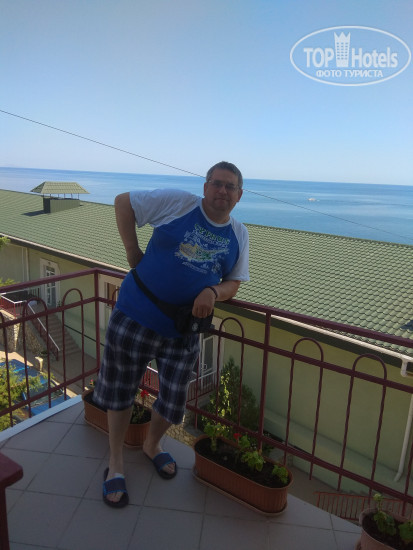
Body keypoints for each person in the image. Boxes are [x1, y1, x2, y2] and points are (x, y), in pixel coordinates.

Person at [93, 161, 249, 508]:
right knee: (120, 392)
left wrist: (213, 292)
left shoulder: (239, 234)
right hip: (135, 314)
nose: (222, 191)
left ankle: (151, 444)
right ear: (205, 187)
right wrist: (132, 252)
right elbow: (123, 202)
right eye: (217, 183)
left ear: (239, 196)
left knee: (174, 398)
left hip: (182, 331)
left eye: (230, 187)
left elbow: (234, 282)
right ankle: (115, 462)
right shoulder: (179, 203)